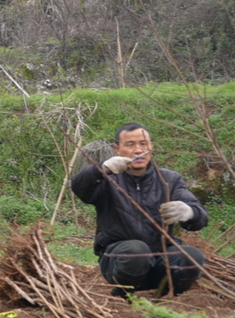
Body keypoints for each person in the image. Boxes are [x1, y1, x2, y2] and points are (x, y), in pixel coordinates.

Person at [71, 122, 208, 298]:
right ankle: (123, 293)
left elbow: (200, 217)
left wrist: (189, 212)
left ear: (151, 147)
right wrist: (101, 169)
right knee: (137, 250)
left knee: (192, 256)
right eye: (130, 144)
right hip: (120, 260)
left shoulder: (169, 180)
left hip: (161, 257)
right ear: (117, 149)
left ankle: (167, 294)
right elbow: (79, 187)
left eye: (143, 144)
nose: (138, 150)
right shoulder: (106, 180)